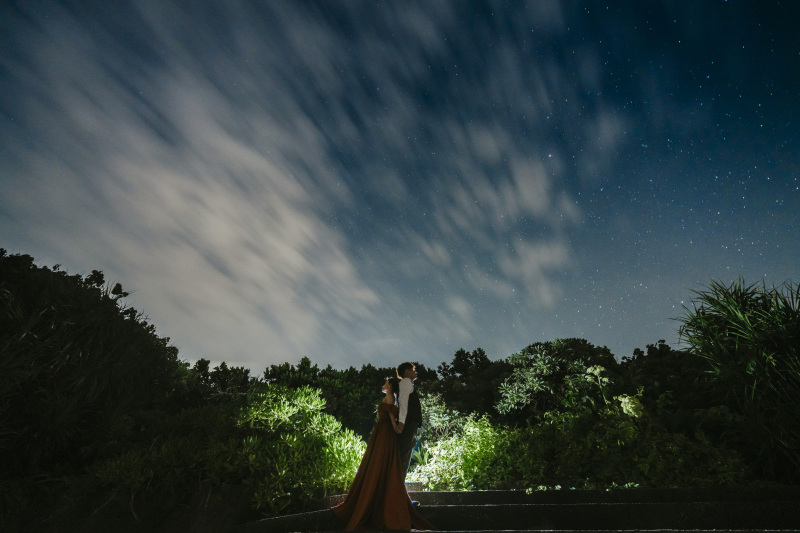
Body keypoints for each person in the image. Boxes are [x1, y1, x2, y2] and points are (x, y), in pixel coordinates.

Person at [331, 377, 434, 531]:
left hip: (385, 430)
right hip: (383, 429)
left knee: (380, 457)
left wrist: (395, 427)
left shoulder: (390, 396)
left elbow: (391, 414)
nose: (383, 385)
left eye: (385, 383)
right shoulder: (389, 396)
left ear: (390, 385)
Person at [394, 362, 421, 480]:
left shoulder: (407, 383)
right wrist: (401, 423)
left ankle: (399, 483)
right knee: (403, 455)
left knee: (406, 453)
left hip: (409, 424)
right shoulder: (406, 382)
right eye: (413, 370)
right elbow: (403, 403)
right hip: (407, 424)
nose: (415, 372)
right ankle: (398, 483)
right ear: (407, 371)